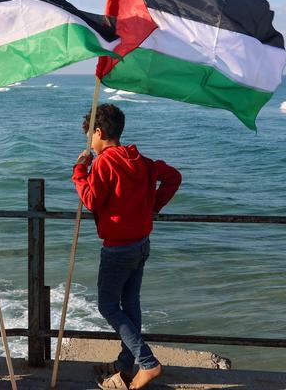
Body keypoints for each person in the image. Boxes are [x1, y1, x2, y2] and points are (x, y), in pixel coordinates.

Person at [72, 104, 181, 390]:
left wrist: (79, 170)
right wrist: (151, 207)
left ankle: (147, 363)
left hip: (118, 248)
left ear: (98, 132)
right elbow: (173, 178)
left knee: (108, 305)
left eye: (90, 138)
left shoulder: (105, 162)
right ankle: (125, 363)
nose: (90, 144)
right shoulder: (141, 160)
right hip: (141, 244)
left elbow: (92, 199)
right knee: (130, 303)